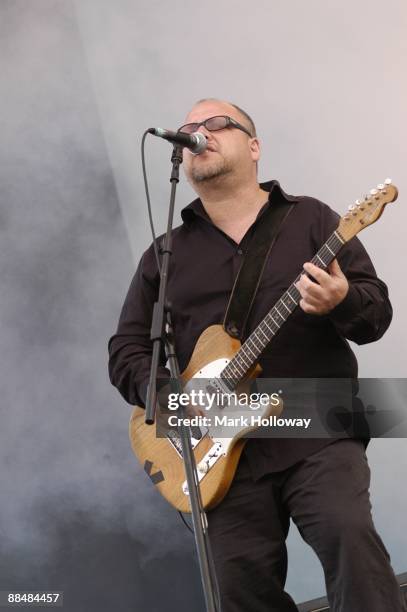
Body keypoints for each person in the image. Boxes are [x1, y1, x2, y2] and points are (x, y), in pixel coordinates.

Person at [108, 98, 405, 611]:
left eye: (216, 123)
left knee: (349, 537)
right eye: (189, 127)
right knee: (237, 591)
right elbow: (128, 349)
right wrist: (179, 399)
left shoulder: (312, 219)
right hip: (218, 456)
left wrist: (341, 301)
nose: (199, 132)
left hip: (315, 425)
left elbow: (374, 316)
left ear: (253, 146)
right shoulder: (165, 254)